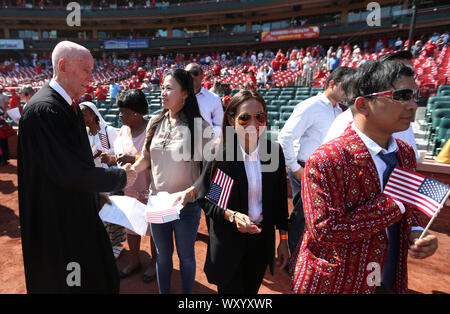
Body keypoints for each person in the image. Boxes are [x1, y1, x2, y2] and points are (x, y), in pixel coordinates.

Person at [290, 60, 438, 294]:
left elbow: (410, 212)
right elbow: (325, 230)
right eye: (402, 95)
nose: (413, 105)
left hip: (387, 277)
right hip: (339, 283)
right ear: (363, 105)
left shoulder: (405, 153)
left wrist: (418, 232)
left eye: (415, 96)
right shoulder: (326, 158)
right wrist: (393, 204)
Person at [17, 40, 136, 293]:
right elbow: (69, 173)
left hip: (74, 215)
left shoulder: (65, 104)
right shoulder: (45, 109)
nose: (91, 77)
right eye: (86, 70)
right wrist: (119, 178)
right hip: (59, 228)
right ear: (62, 66)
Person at [125, 69, 212, 294]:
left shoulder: (199, 127)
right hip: (158, 201)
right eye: (162, 87)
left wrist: (192, 191)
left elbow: (210, 169)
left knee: (186, 257)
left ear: (185, 93)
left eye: (169, 88)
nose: (163, 92)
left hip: (186, 205)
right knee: (162, 257)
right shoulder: (155, 121)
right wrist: (131, 171)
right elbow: (146, 158)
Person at [197, 89, 289, 294]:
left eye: (260, 117)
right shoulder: (220, 154)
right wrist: (233, 216)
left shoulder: (273, 151)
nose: (254, 124)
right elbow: (208, 201)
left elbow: (280, 201)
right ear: (231, 120)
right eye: (245, 118)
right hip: (229, 243)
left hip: (260, 242)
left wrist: (283, 240)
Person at [278, 66, 356, 256]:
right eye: (346, 87)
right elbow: (285, 138)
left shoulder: (340, 111)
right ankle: (294, 259)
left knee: (318, 216)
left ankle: (305, 256)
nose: (348, 92)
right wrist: (296, 168)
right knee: (303, 216)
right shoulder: (311, 106)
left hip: (325, 171)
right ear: (332, 84)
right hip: (306, 168)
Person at [101, 89, 157, 283]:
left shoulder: (153, 129)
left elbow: (161, 158)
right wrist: (110, 158)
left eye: (123, 111)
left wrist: (133, 158)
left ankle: (155, 263)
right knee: (132, 226)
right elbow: (119, 154)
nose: (120, 115)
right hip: (129, 188)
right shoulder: (123, 129)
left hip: (152, 189)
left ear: (136, 113)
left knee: (154, 229)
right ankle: (134, 259)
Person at [323, 50, 419, 158]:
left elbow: (412, 161)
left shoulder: (405, 144)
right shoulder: (345, 123)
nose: (413, 106)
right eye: (402, 95)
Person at [185, 63, 224, 139]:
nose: (192, 76)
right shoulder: (178, 97)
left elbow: (219, 125)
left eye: (195, 73)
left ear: (202, 76)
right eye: (188, 74)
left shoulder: (214, 99)